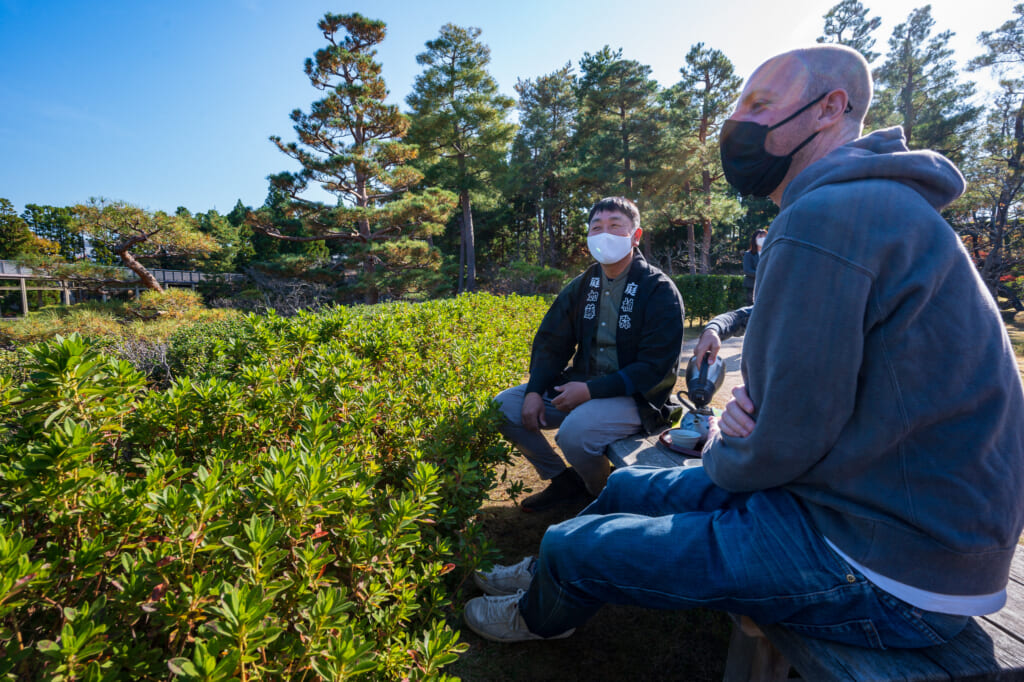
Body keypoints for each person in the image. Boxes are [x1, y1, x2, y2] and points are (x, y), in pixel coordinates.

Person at [464, 44, 1024, 649]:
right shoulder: (867, 205)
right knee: (625, 487)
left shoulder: (829, 216)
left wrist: (737, 447)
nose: (736, 125)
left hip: (892, 567)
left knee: (578, 546)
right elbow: (816, 401)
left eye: (760, 104)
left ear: (828, 108)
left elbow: (784, 435)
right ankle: (548, 568)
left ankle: (540, 607)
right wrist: (757, 430)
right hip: (861, 506)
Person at [493, 196, 685, 512]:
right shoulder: (584, 284)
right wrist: (534, 391)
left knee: (574, 434)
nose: (604, 234)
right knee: (503, 408)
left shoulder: (658, 290)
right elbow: (551, 342)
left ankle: (603, 496)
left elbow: (654, 368)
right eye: (596, 227)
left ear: (636, 236)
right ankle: (563, 482)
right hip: (579, 385)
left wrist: (590, 391)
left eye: (615, 226)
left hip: (635, 397)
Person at [742, 230, 767, 304]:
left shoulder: (769, 254)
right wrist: (763, 274)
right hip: (752, 286)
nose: (763, 239)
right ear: (754, 239)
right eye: (760, 237)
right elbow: (747, 270)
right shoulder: (748, 254)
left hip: (766, 286)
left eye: (765, 237)